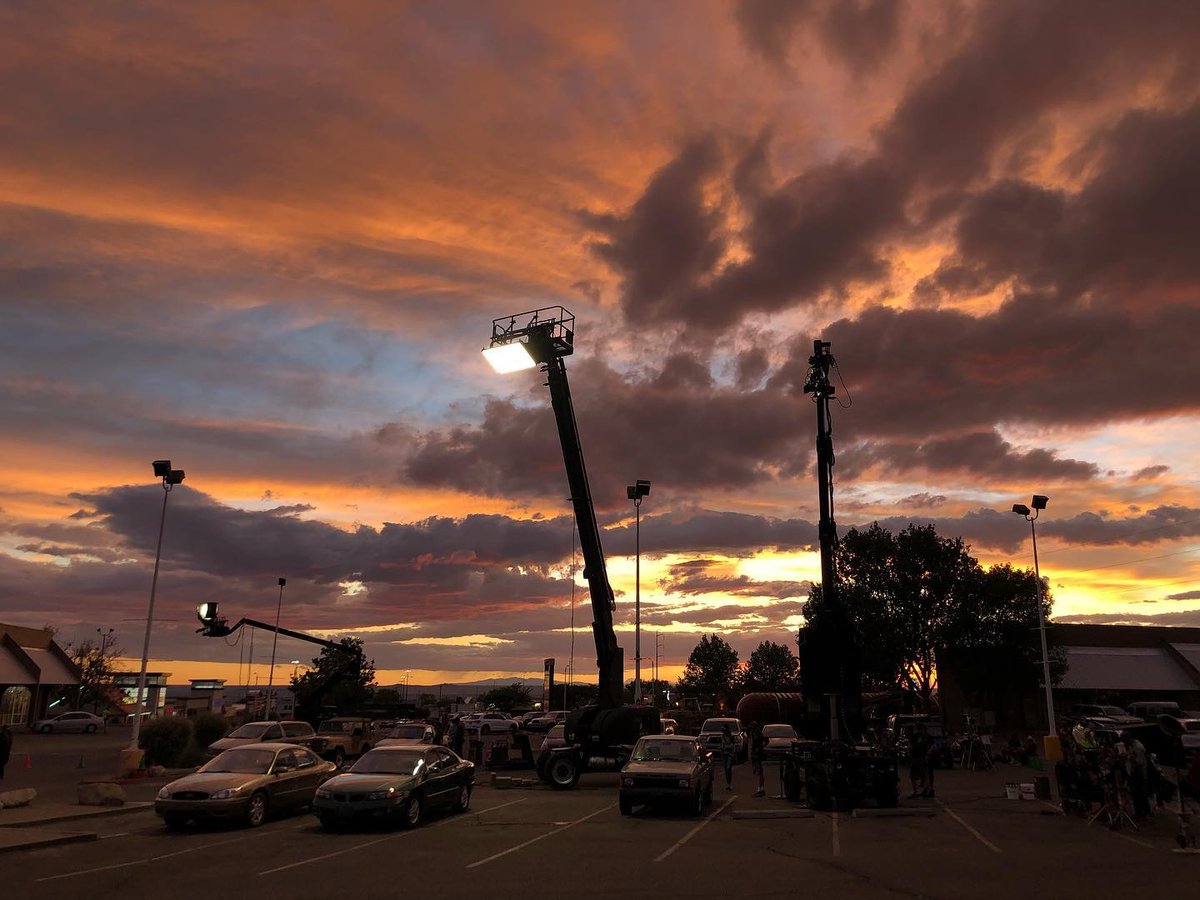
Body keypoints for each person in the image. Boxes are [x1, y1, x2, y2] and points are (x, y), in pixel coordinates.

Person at [909, 724, 930, 799]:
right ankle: (925, 791)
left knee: (914, 776)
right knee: (924, 775)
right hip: (922, 758)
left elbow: (910, 746)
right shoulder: (926, 737)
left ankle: (917, 791)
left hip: (917, 758)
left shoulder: (916, 737)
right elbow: (929, 747)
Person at [749, 721, 766, 798]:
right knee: (759, 772)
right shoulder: (758, 734)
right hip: (758, 754)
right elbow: (766, 741)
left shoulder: (756, 735)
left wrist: (758, 750)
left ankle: (760, 790)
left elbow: (757, 743)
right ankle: (760, 789)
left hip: (757, 755)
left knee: (759, 772)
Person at [720, 724, 735, 790]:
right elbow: (722, 745)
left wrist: (727, 747)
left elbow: (732, 746)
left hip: (729, 754)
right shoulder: (722, 736)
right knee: (726, 769)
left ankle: (729, 783)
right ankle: (728, 784)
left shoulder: (731, 737)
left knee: (728, 768)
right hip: (724, 754)